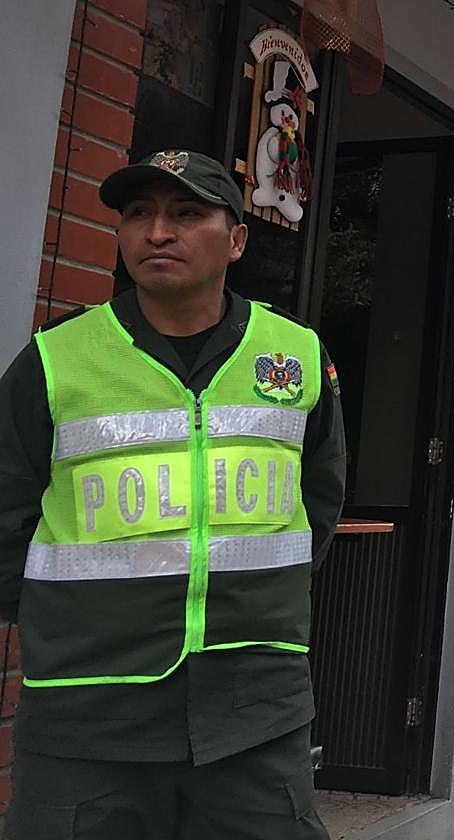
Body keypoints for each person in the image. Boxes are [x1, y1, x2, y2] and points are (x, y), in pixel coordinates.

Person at [0, 150, 346, 839]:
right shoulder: (55, 358)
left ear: (237, 240)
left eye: (187, 213)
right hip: (87, 714)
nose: (158, 231)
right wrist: (65, 621)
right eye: (139, 214)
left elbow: (318, 504)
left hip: (253, 710)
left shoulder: (296, 355)